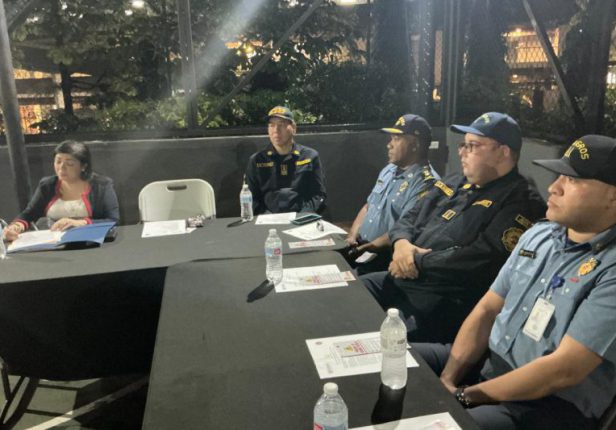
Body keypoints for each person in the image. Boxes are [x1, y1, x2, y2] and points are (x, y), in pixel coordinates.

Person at [413, 134, 616, 430]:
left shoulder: (610, 268)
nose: (554, 187)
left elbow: (564, 370)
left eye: (572, 180)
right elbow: (487, 309)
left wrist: (465, 396)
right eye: (559, 175)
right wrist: (448, 378)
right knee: (392, 356)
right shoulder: (538, 236)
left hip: (548, 404)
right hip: (490, 367)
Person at [361, 112, 546, 342]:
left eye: (472, 146)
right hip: (403, 277)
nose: (462, 152)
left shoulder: (522, 202)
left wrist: (415, 261)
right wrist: (401, 244)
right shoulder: (454, 181)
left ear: (503, 152)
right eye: (462, 145)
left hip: (443, 298)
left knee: (382, 342)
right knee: (348, 294)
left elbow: (479, 258)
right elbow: (409, 217)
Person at [345, 114, 439, 273]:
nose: (389, 145)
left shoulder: (426, 183)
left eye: (396, 139)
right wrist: (352, 237)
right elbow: (369, 206)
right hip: (360, 248)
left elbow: (405, 229)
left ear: (415, 144)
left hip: (384, 259)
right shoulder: (388, 170)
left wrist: (366, 248)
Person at [3, 140, 119, 241]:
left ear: (83, 166)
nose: (62, 167)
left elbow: (113, 220)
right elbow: (29, 214)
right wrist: (16, 226)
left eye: (70, 163)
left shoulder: (102, 186)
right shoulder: (47, 186)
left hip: (90, 242)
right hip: (54, 242)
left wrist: (82, 223)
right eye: (58, 161)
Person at [245, 106, 326, 215]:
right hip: (267, 220)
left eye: (281, 125)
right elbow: (251, 197)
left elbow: (319, 194)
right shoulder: (257, 160)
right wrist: (268, 217)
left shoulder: (310, 156)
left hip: (302, 218)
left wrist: (303, 216)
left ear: (294, 128)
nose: (276, 130)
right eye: (271, 125)